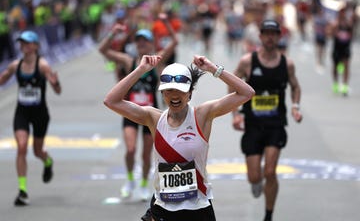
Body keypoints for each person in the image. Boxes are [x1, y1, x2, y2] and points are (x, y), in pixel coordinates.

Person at [104, 54, 255, 221]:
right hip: (163, 207)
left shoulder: (202, 115)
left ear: (189, 93)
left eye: (180, 90)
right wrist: (140, 70)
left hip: (198, 207)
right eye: (169, 90)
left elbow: (247, 92)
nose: (174, 96)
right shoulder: (154, 118)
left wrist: (213, 69)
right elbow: (111, 101)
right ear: (162, 93)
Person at [98, 13, 178, 201]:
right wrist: (113, 33)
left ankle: (143, 185)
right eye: (138, 41)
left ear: (151, 43)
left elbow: (175, 41)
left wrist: (165, 22)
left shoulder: (157, 61)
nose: (141, 44)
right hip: (130, 112)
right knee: (131, 149)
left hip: (149, 115)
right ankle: (130, 181)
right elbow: (103, 50)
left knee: (145, 154)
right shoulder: (129, 61)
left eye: (145, 41)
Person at [230, 20, 302, 221]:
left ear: (279, 37)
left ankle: (268, 215)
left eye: (274, 33)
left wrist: (295, 107)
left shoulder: (287, 64)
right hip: (252, 125)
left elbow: (295, 87)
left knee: (270, 172)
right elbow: (232, 84)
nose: (270, 37)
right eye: (266, 33)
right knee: (255, 177)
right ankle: (256, 179)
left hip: (275, 125)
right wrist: (235, 113)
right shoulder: (247, 62)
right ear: (260, 36)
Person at [0, 30, 62, 206]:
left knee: (37, 151)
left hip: (40, 114)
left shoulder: (43, 66)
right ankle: (22, 190)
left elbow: (58, 91)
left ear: (35, 46)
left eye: (27, 43)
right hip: (22, 113)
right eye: (21, 43)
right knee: (21, 147)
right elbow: (2, 80)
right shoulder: (15, 65)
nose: (24, 46)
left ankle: (47, 161)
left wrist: (55, 82)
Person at [329, 4, 355, 96]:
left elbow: (352, 33)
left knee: (346, 66)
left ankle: (344, 85)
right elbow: (330, 33)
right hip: (337, 47)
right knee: (336, 66)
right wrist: (336, 32)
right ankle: (336, 83)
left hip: (346, 48)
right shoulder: (336, 23)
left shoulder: (348, 23)